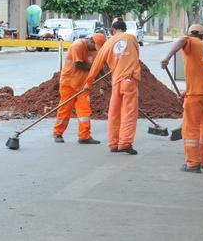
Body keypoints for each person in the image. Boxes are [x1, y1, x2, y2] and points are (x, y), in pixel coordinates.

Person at [161, 24, 203, 173]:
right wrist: (186, 92)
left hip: (197, 95)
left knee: (190, 127)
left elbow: (181, 40)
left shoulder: (190, 41)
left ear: (191, 33)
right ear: (202, 35)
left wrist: (167, 58)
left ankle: (193, 163)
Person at [85, 20, 141, 155]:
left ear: (112, 31)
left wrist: (89, 83)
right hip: (129, 80)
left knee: (114, 113)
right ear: (125, 29)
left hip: (116, 81)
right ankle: (125, 143)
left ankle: (113, 143)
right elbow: (136, 56)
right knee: (129, 112)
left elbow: (97, 64)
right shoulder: (132, 38)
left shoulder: (108, 43)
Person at [53, 33, 107, 144]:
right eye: (94, 46)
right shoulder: (78, 45)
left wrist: (107, 81)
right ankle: (58, 133)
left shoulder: (97, 50)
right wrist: (94, 69)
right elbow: (79, 65)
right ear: (90, 40)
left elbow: (99, 68)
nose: (95, 50)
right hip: (69, 83)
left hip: (83, 85)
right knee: (65, 109)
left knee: (85, 110)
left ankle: (84, 136)